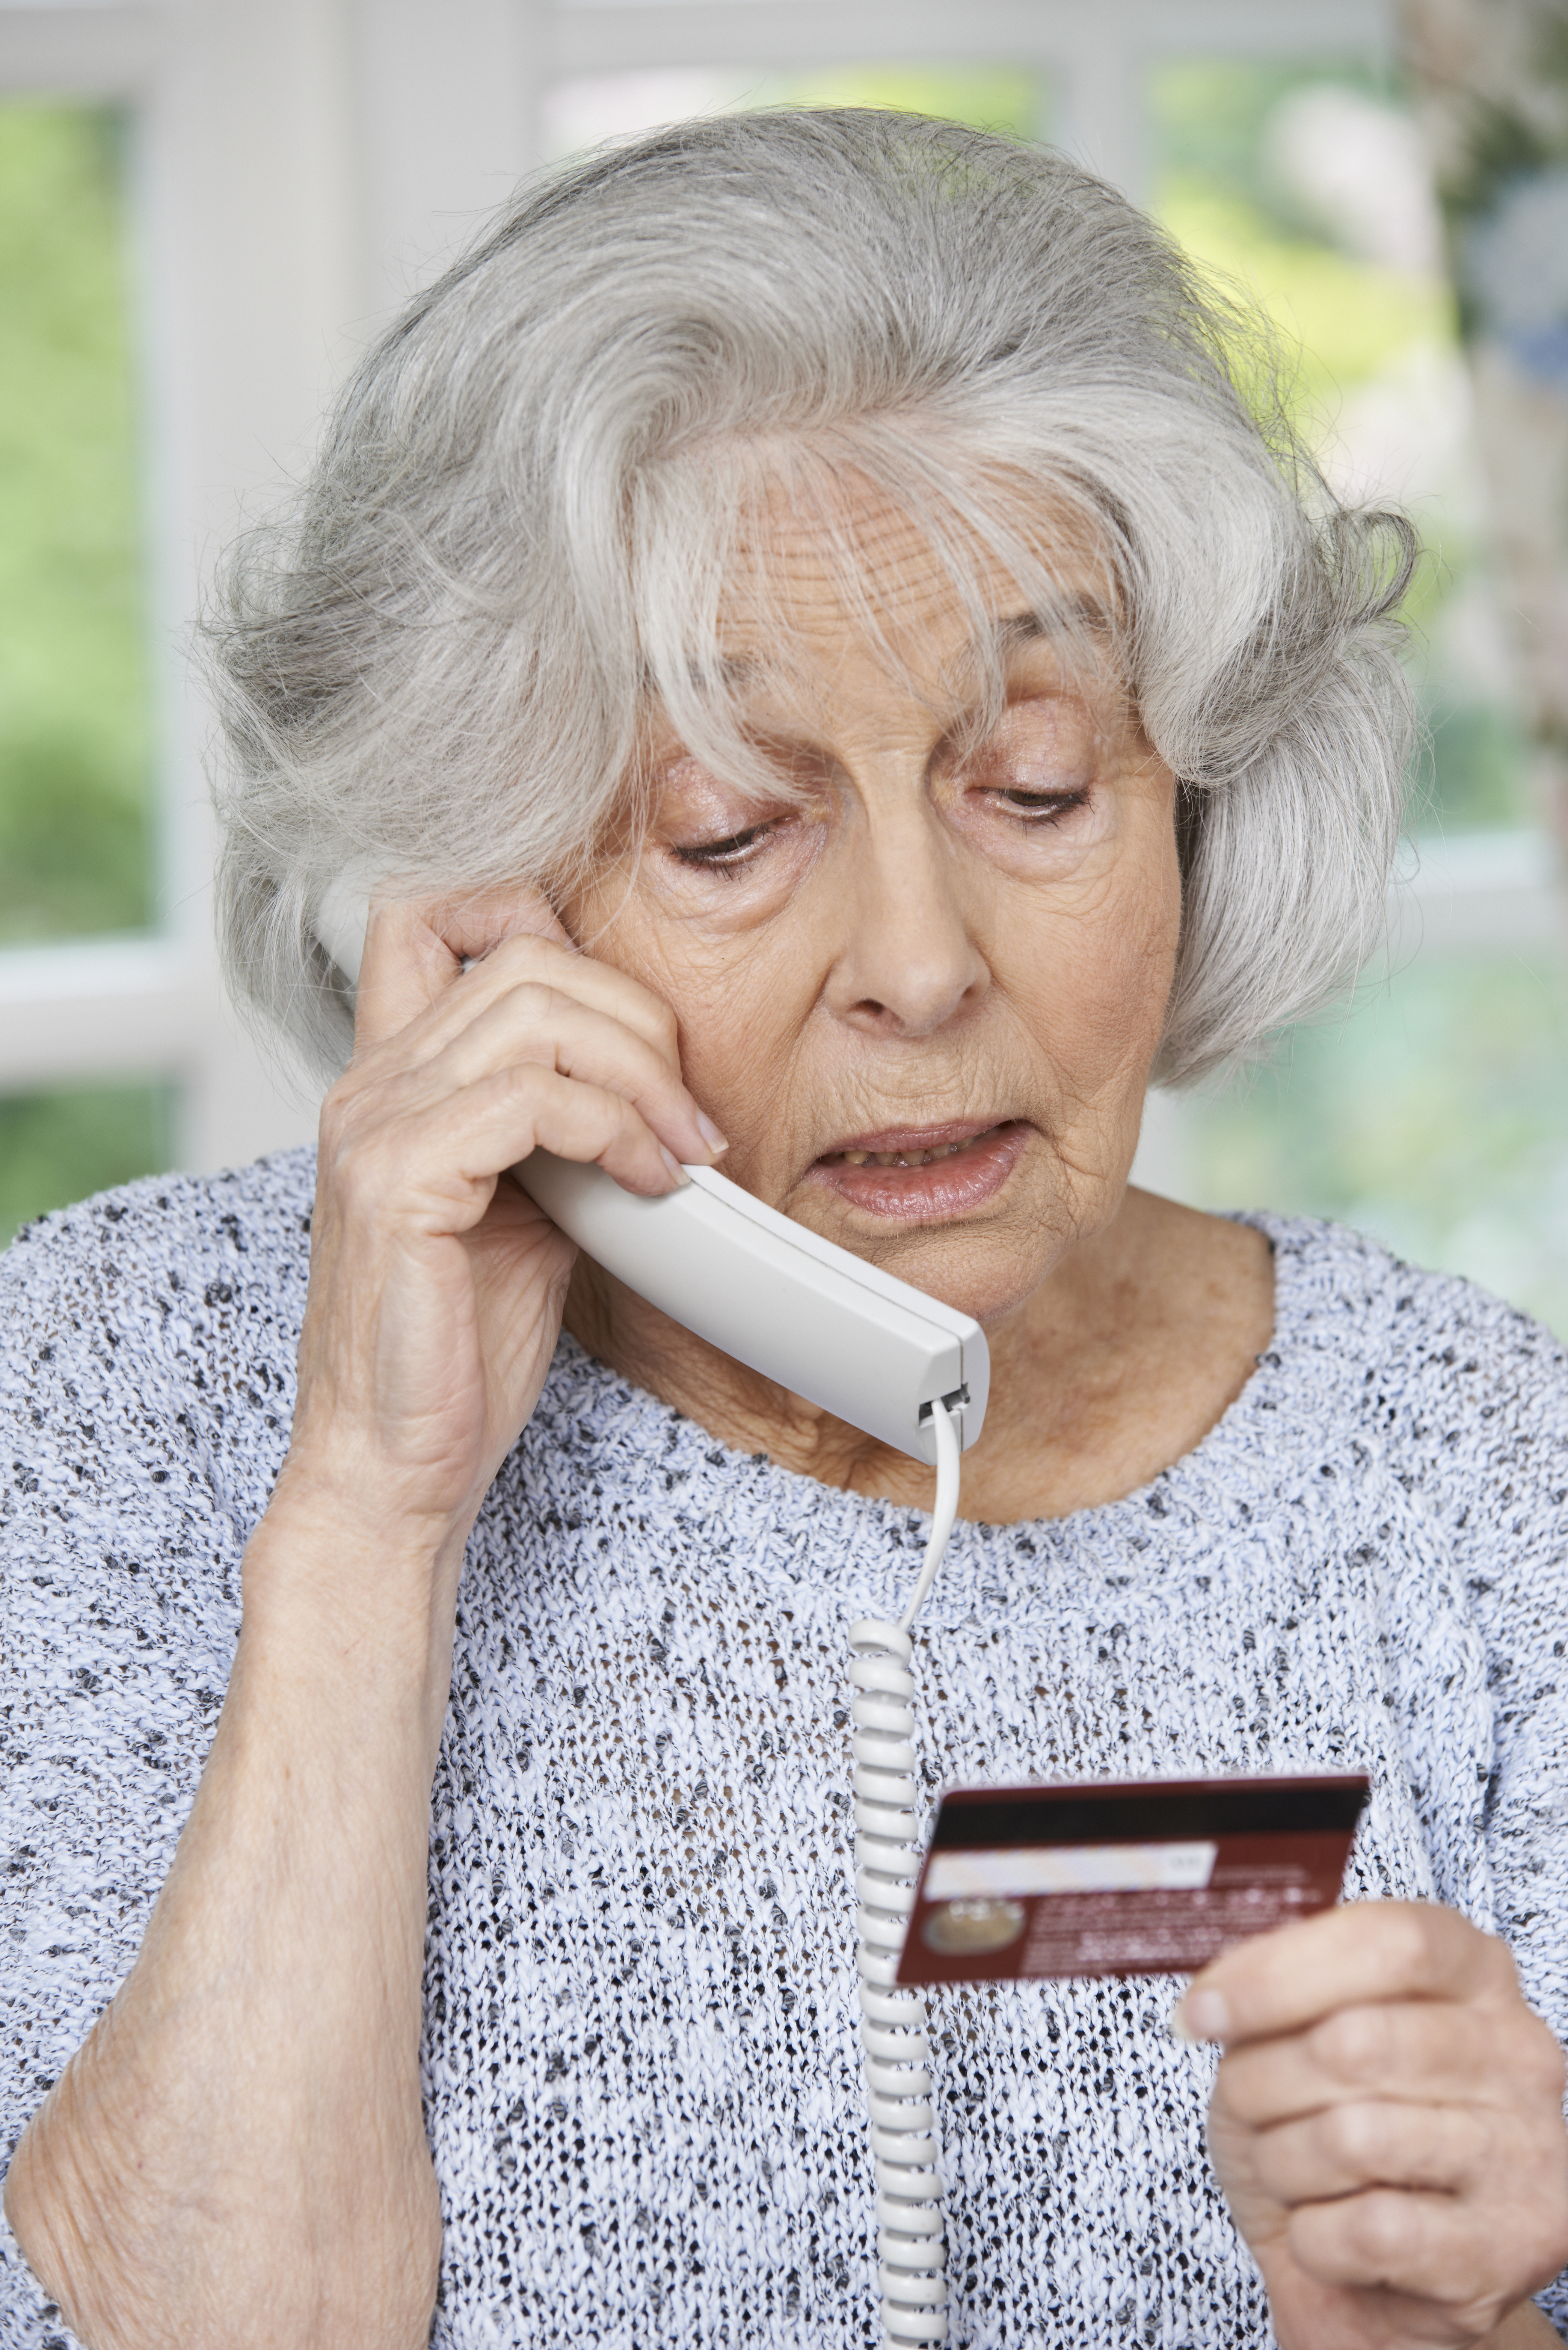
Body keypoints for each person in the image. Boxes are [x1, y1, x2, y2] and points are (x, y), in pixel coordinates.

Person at [2, 109, 1566, 2350]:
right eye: (731, 831)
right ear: (482, 895)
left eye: (1036, 789)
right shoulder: (92, 1391)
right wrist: (371, 1512)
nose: (920, 968)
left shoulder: (1485, 1478)